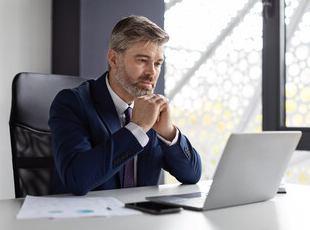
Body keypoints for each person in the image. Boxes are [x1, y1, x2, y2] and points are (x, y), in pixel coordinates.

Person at [49, 15, 202, 195]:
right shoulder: (72, 103)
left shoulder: (152, 110)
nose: (152, 72)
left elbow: (192, 175)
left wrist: (168, 133)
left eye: (158, 63)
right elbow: (77, 180)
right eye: (142, 60)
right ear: (114, 59)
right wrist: (137, 128)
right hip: (90, 219)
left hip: (142, 218)